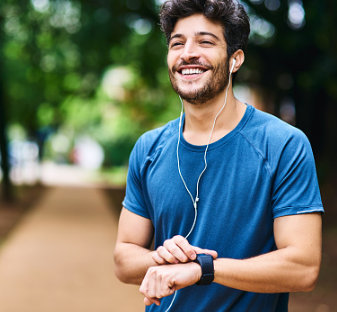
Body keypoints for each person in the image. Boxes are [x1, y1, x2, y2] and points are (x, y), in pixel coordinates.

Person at [113, 0, 324, 311]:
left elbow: (303, 267)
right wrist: (160, 258)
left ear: (235, 59)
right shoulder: (149, 148)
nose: (188, 54)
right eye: (177, 43)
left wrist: (202, 269)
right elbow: (123, 259)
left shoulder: (283, 145)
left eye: (205, 42)